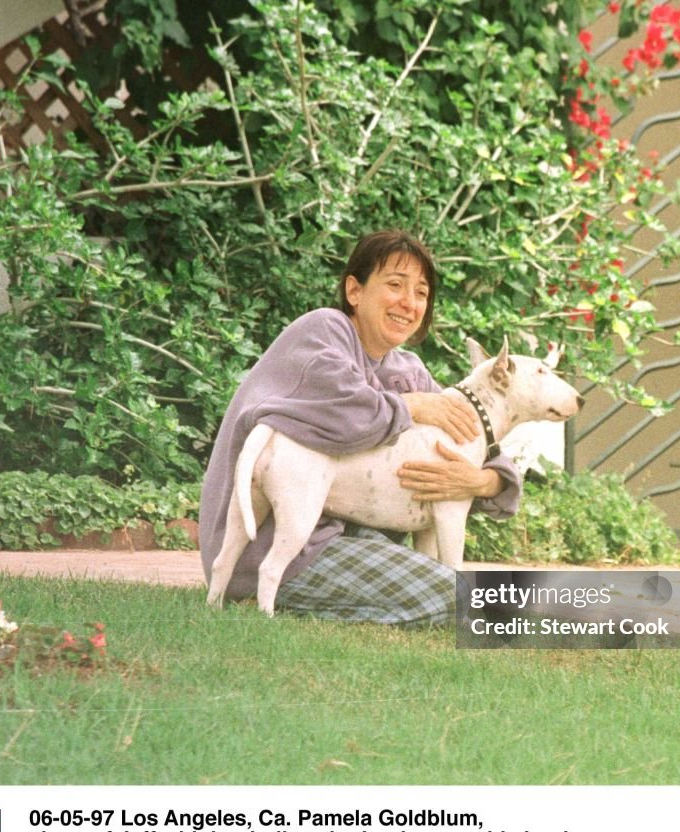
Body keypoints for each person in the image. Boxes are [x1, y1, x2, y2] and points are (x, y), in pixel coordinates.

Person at [199, 230, 522, 624]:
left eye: (421, 292)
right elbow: (345, 414)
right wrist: (412, 406)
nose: (409, 302)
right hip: (282, 547)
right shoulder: (322, 332)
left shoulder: (409, 370)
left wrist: (481, 482)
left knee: (461, 590)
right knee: (457, 596)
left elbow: (477, 439)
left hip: (353, 543)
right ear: (355, 290)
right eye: (395, 285)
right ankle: (605, 615)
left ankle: (604, 611)